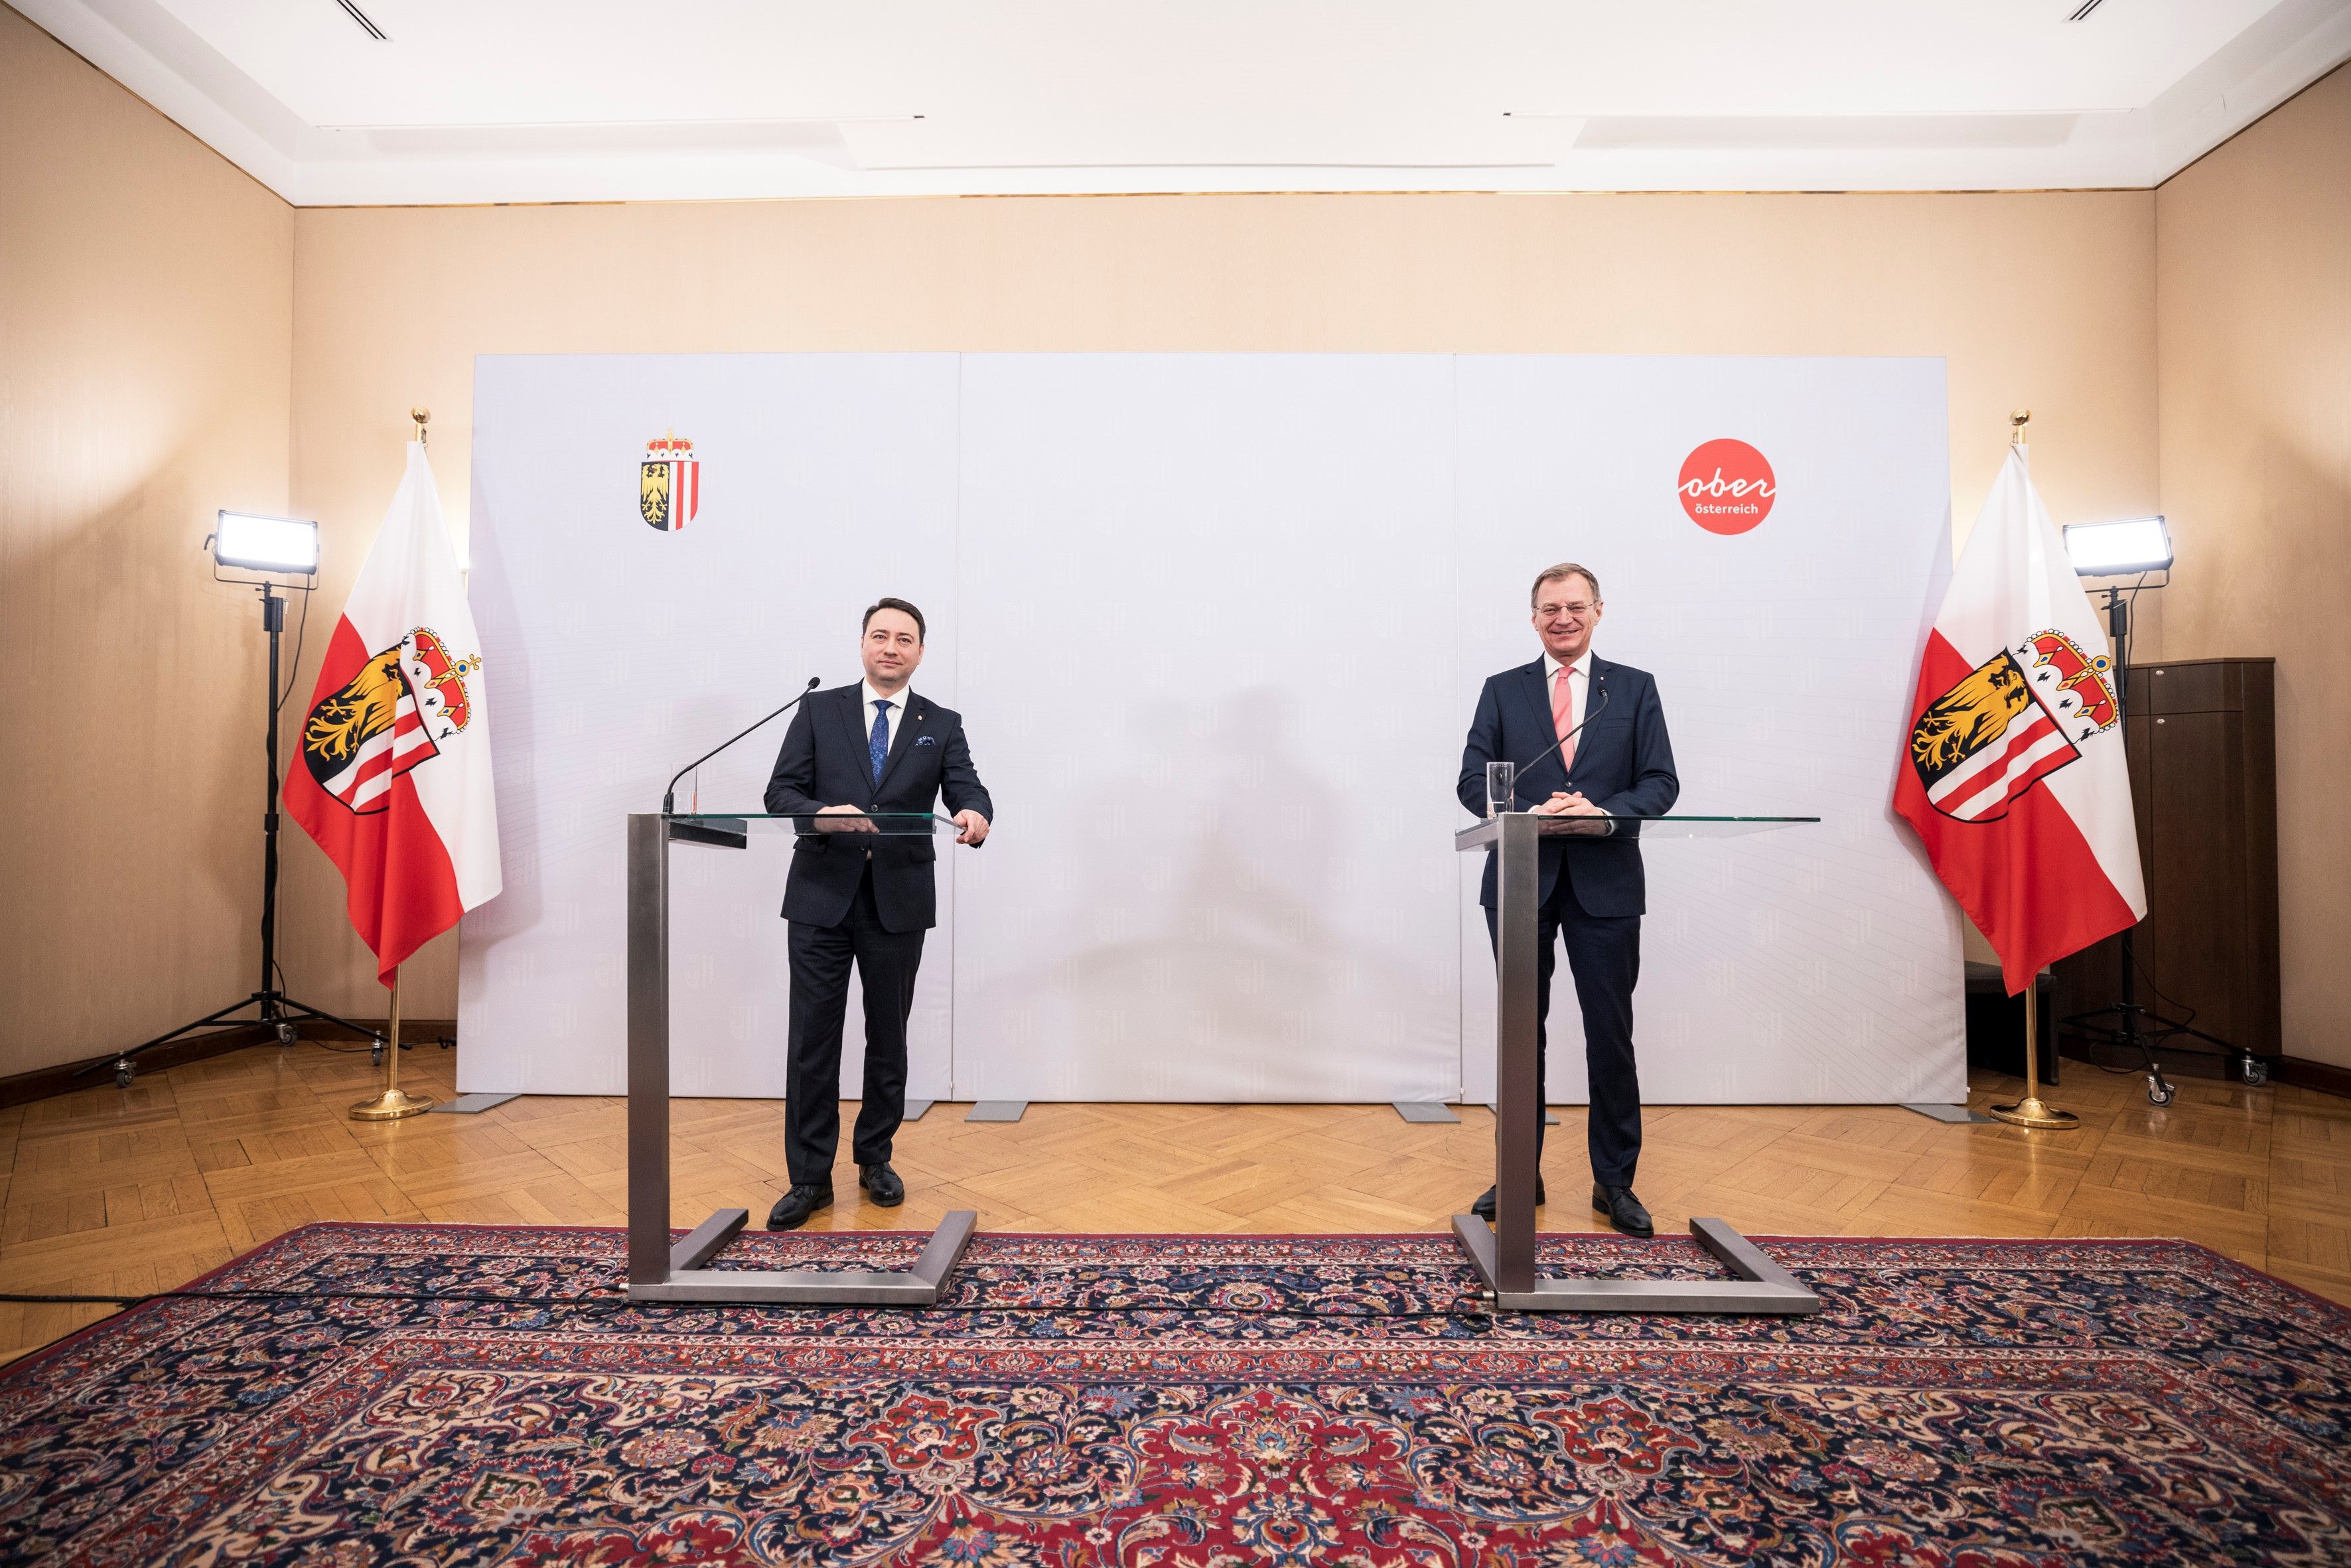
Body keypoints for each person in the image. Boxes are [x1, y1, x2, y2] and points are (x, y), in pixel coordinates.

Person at [1457, 563, 1678, 1238]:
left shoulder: (1633, 690)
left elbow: (1661, 781)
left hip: (1607, 883)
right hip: (1524, 878)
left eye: (1575, 606)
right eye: (1549, 608)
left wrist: (1601, 810)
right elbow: (1471, 779)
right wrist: (1532, 811)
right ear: (1534, 618)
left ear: (1598, 611)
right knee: (1522, 1032)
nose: (1563, 618)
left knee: (1610, 1033)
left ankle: (1615, 1182)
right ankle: (1521, 1171)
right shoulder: (1503, 691)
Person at [761, 597, 993, 1230]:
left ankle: (875, 1158)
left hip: (898, 898)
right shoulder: (817, 709)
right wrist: (820, 814)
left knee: (887, 1038)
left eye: (905, 639)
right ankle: (809, 1178)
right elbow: (780, 790)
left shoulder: (940, 722)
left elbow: (965, 784)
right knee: (812, 1040)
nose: (891, 647)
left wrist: (976, 812)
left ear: (920, 652)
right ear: (862, 643)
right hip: (819, 897)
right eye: (880, 635)